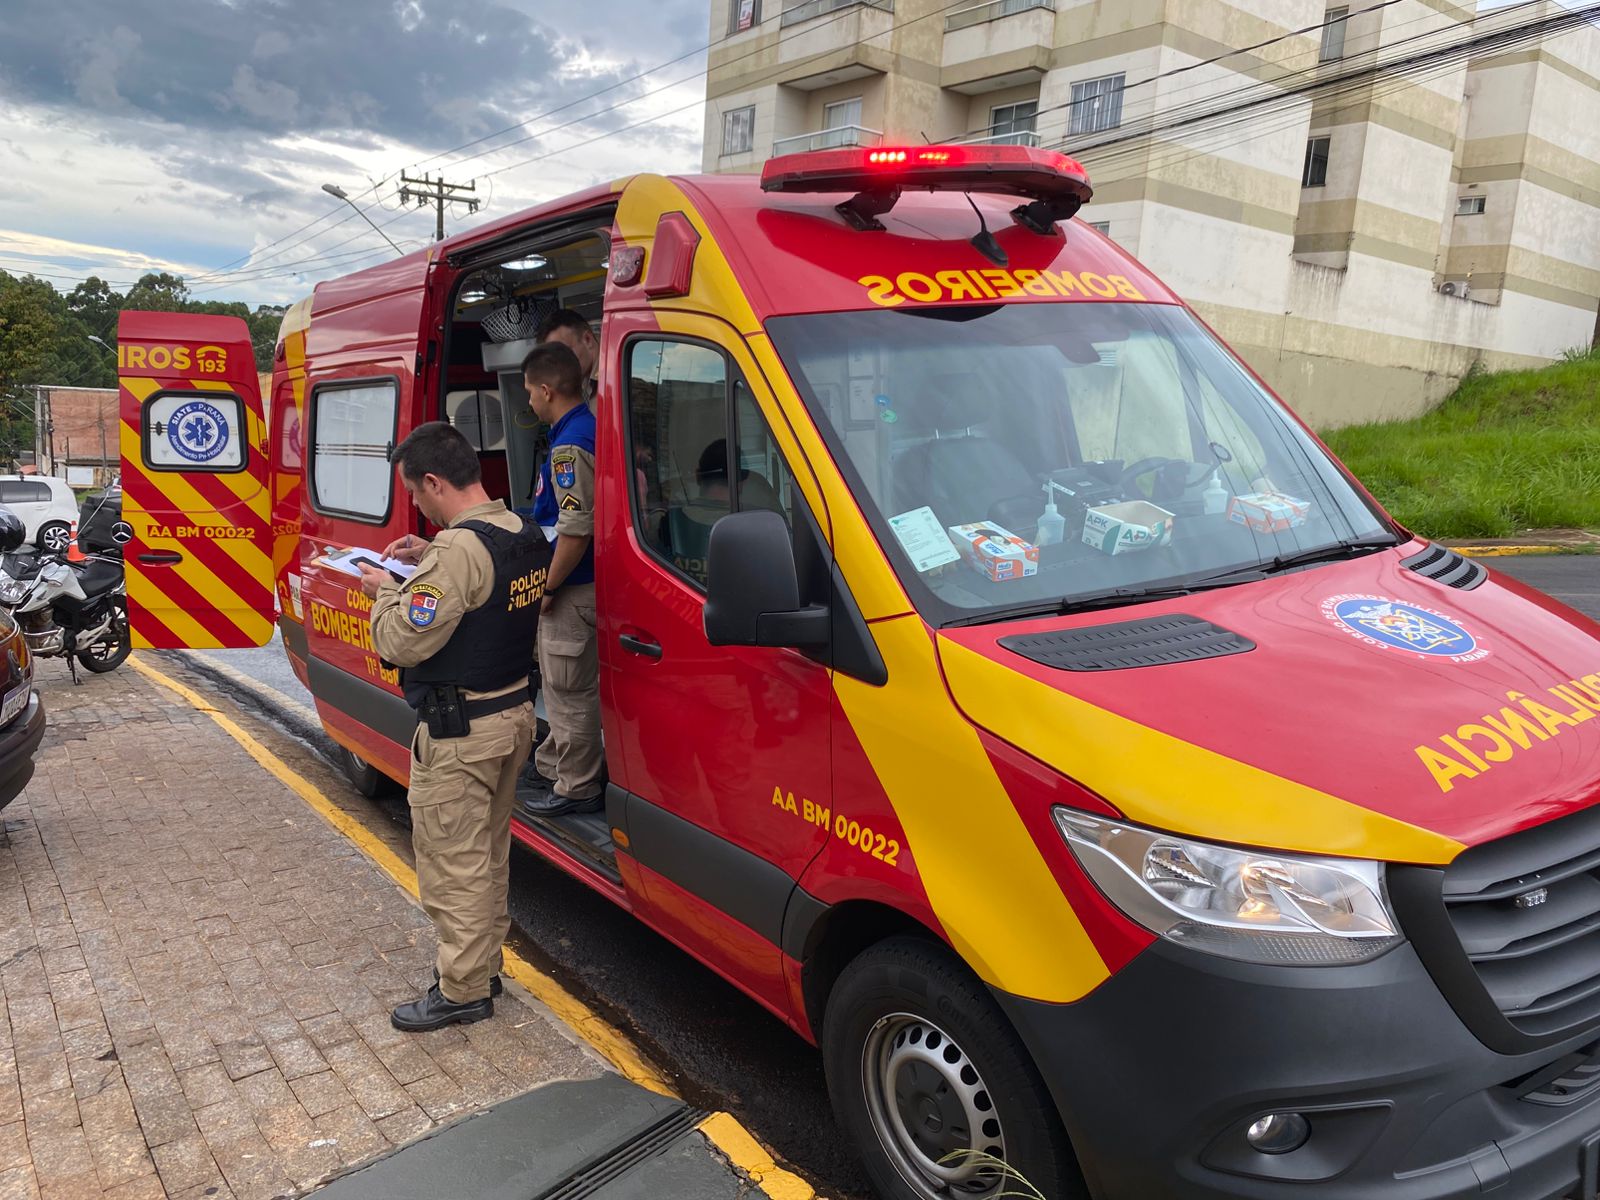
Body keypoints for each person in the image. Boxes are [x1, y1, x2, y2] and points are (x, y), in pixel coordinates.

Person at [358, 422, 550, 1032]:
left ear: (436, 481)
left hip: (462, 733)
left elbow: (401, 640)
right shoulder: (519, 531)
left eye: (417, 492)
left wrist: (386, 591)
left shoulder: (457, 553)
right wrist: (427, 561)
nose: (417, 503)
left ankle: (463, 990)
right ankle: (482, 966)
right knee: (488, 856)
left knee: (453, 865)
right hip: (512, 717)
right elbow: (479, 597)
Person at [519, 342, 605, 818]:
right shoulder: (579, 430)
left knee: (570, 692)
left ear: (547, 390)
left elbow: (575, 530)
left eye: (530, 392)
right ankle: (555, 763)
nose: (529, 401)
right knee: (557, 685)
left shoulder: (571, 445)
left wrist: (548, 588)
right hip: (575, 582)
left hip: (573, 587)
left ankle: (577, 787)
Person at [535, 308, 599, 412]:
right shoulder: (584, 382)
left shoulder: (618, 375)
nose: (559, 366)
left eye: (563, 354)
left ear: (587, 339)